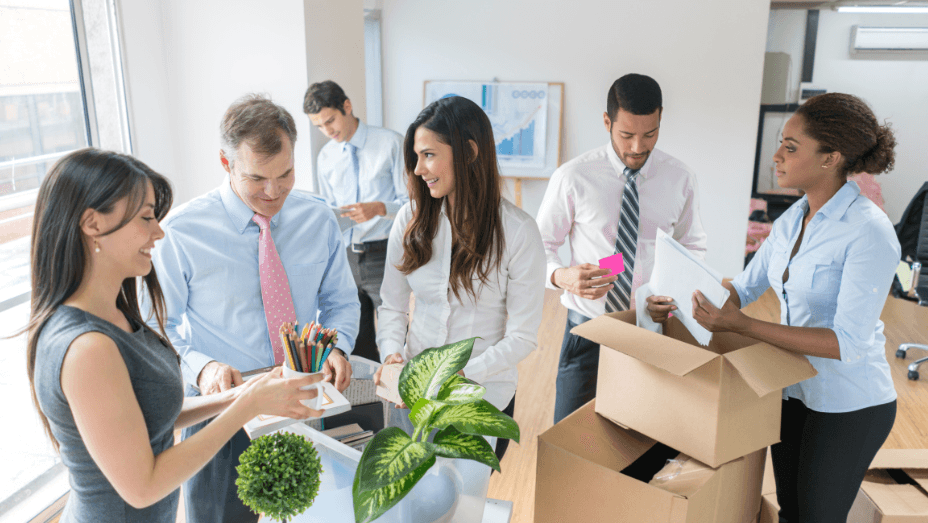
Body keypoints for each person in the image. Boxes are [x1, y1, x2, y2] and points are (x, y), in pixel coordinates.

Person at [27, 149, 324, 523]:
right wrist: (244, 410)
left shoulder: (114, 315)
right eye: (147, 217)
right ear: (92, 223)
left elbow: (145, 418)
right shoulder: (88, 348)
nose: (159, 231)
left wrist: (243, 394)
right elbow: (142, 487)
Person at [649, 93, 899, 523]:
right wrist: (677, 300)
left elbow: (847, 343)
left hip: (848, 404)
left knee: (817, 517)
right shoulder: (792, 220)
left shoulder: (868, 232)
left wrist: (743, 327)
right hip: (792, 389)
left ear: (830, 158)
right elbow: (743, 290)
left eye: (790, 147)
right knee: (791, 512)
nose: (776, 157)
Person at [147, 94, 359, 523]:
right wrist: (203, 368)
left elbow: (340, 302)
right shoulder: (180, 232)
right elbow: (157, 328)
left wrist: (338, 347)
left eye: (286, 174)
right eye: (257, 178)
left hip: (304, 400)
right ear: (226, 165)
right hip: (221, 410)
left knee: (320, 514)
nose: (273, 192)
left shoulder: (317, 218)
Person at [373, 96, 546, 463]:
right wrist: (392, 357)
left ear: (468, 152)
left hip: (480, 398)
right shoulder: (409, 220)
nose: (418, 169)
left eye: (429, 155)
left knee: (462, 509)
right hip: (412, 395)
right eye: (416, 157)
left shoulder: (517, 232)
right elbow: (392, 304)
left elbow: (523, 336)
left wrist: (458, 376)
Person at [537, 74, 707, 424]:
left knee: (638, 439)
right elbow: (540, 245)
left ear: (661, 118)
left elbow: (693, 244)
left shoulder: (680, 179)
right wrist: (561, 275)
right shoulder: (574, 177)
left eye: (650, 134)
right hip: (587, 329)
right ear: (606, 121)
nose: (636, 147)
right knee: (571, 437)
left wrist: (674, 292)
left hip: (650, 330)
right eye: (626, 134)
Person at [305, 80, 408, 362]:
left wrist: (378, 208)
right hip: (346, 257)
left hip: (385, 253)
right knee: (354, 340)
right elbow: (328, 211)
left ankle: (407, 401)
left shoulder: (391, 143)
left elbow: (415, 207)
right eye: (319, 126)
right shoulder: (325, 157)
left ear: (347, 107)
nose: (327, 131)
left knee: (397, 335)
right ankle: (368, 405)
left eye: (330, 121)